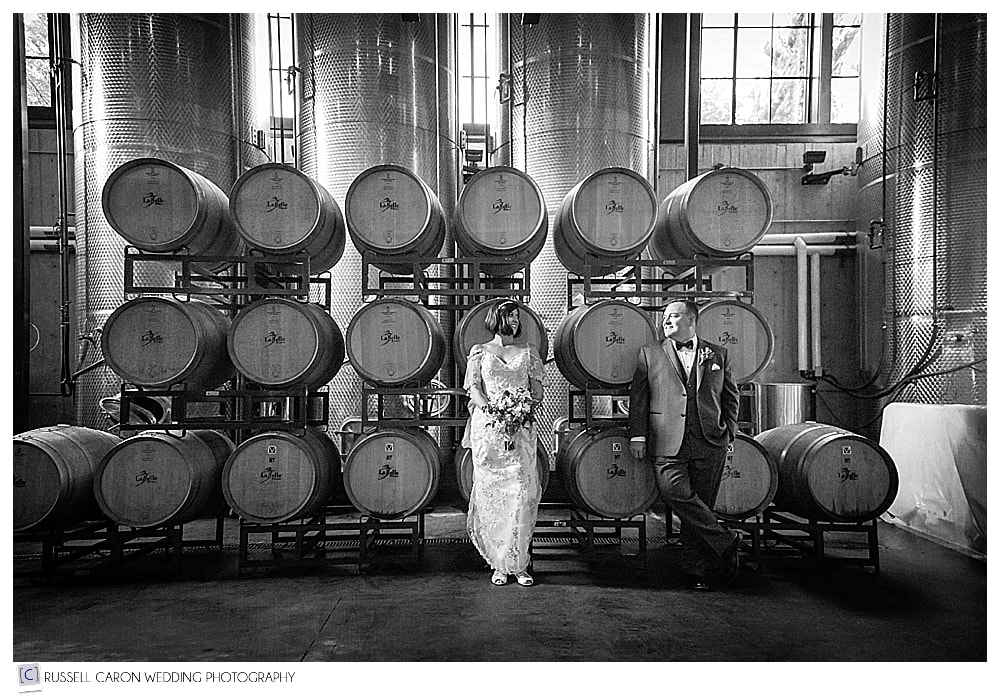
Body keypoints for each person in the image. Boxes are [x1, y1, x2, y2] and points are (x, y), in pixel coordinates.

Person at [628, 299, 742, 591]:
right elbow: (639, 399)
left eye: (674, 316)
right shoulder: (649, 353)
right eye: (665, 317)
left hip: (709, 441)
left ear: (691, 320)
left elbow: (731, 397)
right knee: (673, 492)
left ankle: (696, 571)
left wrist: (728, 430)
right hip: (666, 439)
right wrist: (638, 435)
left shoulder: (717, 354)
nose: (666, 321)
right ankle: (725, 541)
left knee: (700, 505)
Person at [463, 299, 545, 587]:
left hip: (521, 431)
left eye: (516, 315)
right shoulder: (480, 352)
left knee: (522, 494)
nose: (513, 319)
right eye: (508, 314)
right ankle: (500, 564)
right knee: (493, 496)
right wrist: (494, 413)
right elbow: (473, 389)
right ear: (495, 318)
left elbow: (537, 392)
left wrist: (520, 410)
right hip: (489, 432)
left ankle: (520, 563)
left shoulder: (528, 352)